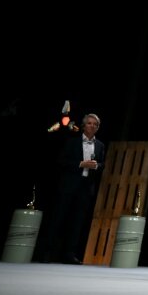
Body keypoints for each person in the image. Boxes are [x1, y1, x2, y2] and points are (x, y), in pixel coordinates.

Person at [41, 113, 106, 264]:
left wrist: (97, 166)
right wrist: (80, 164)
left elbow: (102, 164)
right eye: (89, 123)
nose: (92, 126)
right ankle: (47, 252)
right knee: (58, 218)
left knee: (77, 222)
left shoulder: (100, 145)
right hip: (68, 186)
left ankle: (69, 254)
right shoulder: (72, 142)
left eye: (95, 124)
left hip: (86, 188)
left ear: (97, 128)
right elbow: (61, 161)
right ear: (83, 126)